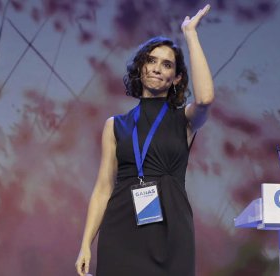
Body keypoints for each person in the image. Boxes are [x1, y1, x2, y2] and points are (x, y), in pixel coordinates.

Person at [75, 4, 214, 276]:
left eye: (167, 64)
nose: (157, 68)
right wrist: (85, 245)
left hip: (172, 230)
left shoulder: (183, 120)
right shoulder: (115, 125)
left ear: (176, 78)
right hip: (121, 229)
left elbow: (206, 99)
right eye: (151, 60)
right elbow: (103, 188)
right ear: (141, 67)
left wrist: (190, 35)